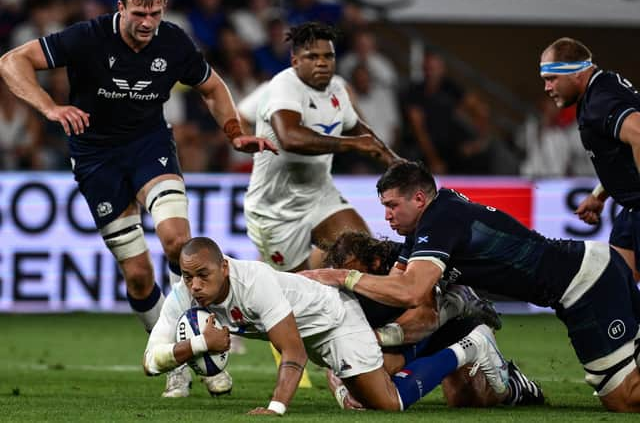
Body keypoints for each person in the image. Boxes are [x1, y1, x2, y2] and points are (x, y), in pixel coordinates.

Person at [0, 0, 276, 398]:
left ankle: (199, 351)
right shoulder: (89, 36)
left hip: (149, 147)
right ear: (121, 7)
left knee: (178, 243)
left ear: (163, 8)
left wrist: (234, 133)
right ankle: (174, 355)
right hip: (96, 159)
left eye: (155, 13)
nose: (148, 23)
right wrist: (49, 107)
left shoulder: (174, 43)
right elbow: (11, 61)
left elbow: (212, 87)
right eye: (139, 14)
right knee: (138, 275)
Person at [302, 160, 640, 412]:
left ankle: (470, 330)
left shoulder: (441, 218)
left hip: (587, 282)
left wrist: (340, 277)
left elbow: (412, 291)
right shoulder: (424, 229)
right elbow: (398, 290)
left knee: (623, 399)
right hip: (584, 273)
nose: (387, 216)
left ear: (419, 199)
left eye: (392, 205)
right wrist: (369, 334)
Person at [143, 236, 511, 415]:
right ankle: (444, 325)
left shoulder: (253, 282)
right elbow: (149, 362)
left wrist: (276, 408)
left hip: (335, 319)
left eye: (203, 275)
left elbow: (292, 351)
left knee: (387, 403)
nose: (195, 286)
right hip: (312, 330)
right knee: (372, 387)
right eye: (189, 278)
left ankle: (471, 343)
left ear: (224, 266)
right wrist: (196, 346)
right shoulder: (185, 295)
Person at [321, 230, 544, 409]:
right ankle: (457, 303)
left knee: (468, 400)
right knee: (370, 370)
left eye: (352, 275)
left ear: (376, 263)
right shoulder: (341, 290)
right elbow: (336, 349)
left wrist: (374, 337)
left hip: (446, 328)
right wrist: (343, 392)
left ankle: (514, 387)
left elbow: (425, 319)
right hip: (408, 338)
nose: (348, 283)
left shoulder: (407, 265)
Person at [244, 21, 399, 272]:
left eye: (328, 56)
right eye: (312, 56)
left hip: (319, 195)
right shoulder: (283, 86)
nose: (322, 62)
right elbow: (290, 137)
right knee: (296, 291)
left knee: (367, 257)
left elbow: (358, 128)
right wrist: (352, 145)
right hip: (275, 210)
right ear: (295, 61)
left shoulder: (337, 88)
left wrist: (394, 160)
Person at [540, 37, 640, 281]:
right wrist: (599, 194)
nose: (547, 88)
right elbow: (622, 153)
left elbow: (638, 133)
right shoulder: (601, 89)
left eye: (551, 79)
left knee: (616, 290)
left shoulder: (600, 102)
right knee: (617, 287)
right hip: (632, 207)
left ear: (575, 74)